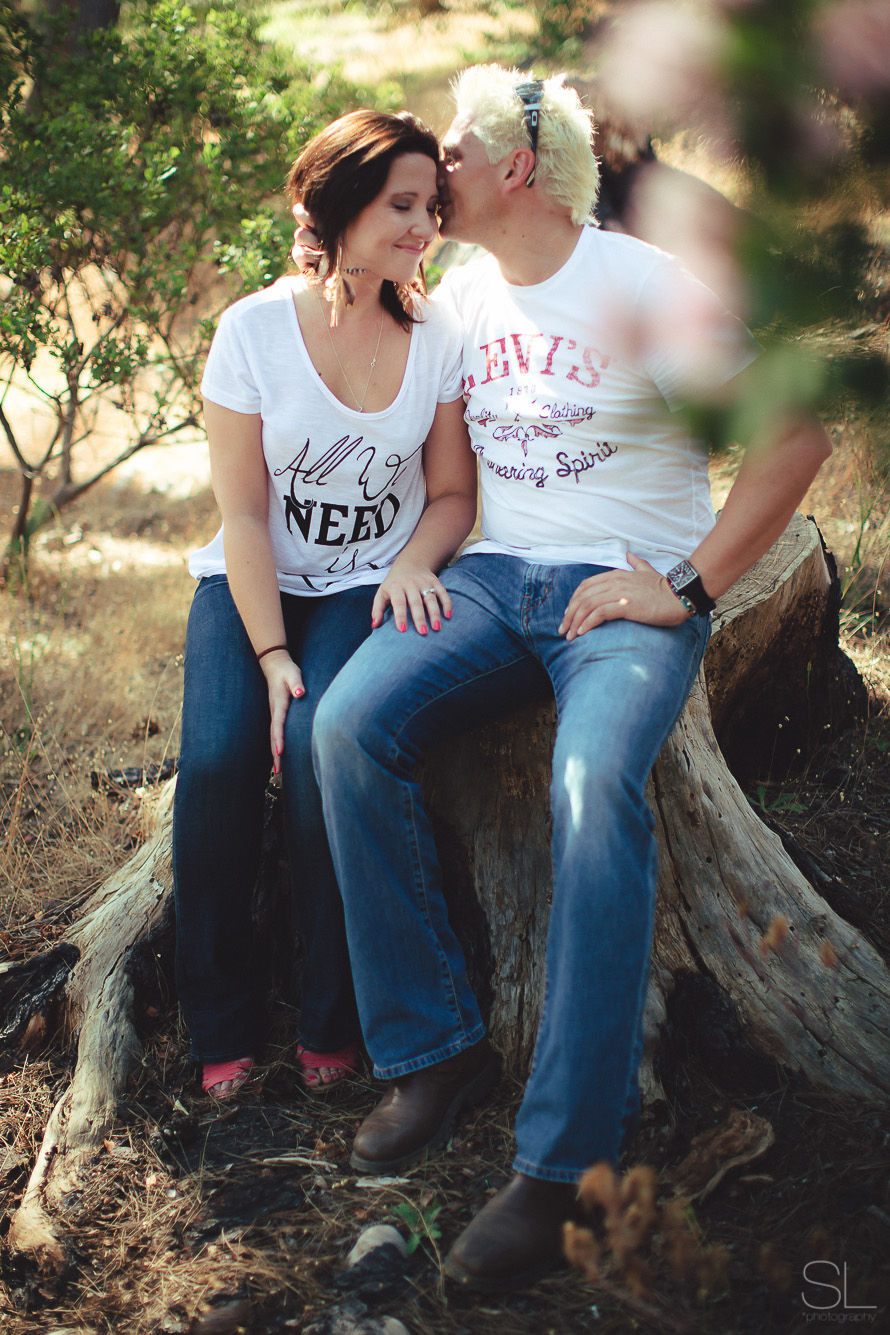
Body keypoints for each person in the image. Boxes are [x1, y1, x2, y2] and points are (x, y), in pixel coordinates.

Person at [310, 67, 833, 1287]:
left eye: (447, 148)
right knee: (344, 726)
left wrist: (688, 585)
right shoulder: (462, 291)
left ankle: (560, 1169)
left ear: (512, 167)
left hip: (623, 597)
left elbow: (795, 437)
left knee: (594, 785)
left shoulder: (641, 283)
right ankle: (432, 1048)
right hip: (495, 581)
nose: (428, 166)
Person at [173, 110, 476, 1101]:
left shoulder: (433, 337)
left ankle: (330, 1018)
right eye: (400, 205)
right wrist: (267, 660)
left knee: (318, 762)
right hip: (248, 582)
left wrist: (414, 562)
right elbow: (245, 517)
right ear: (336, 209)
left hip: (362, 588)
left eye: (430, 206)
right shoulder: (253, 331)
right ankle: (217, 1020)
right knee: (218, 760)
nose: (422, 226)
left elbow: (450, 495)